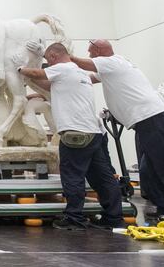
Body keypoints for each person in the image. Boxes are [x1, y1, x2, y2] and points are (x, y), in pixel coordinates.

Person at [17, 43, 125, 230]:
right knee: (102, 176)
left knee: (72, 175)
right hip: (93, 133)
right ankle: (114, 217)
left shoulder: (62, 68)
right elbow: (49, 87)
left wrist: (18, 68)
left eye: (47, 59)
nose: (47, 63)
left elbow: (36, 74)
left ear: (52, 56)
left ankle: (74, 218)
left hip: (75, 134)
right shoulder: (78, 72)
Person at [70, 39, 164, 224]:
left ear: (100, 51)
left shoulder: (114, 61)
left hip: (155, 119)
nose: (88, 54)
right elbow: (87, 78)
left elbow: (84, 64)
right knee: (147, 171)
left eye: (91, 51)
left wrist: (65, 57)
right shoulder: (111, 68)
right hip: (144, 123)